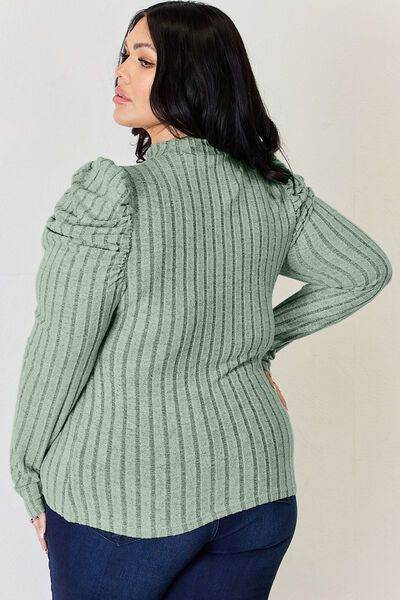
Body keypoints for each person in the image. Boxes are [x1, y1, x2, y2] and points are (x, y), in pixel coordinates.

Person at [9, 2, 392, 599]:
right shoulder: (274, 192)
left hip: (124, 499)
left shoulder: (112, 198)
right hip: (256, 489)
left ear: (193, 76)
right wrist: (259, 342)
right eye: (123, 57)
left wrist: (26, 470)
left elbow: (62, 346)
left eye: (144, 61)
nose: (120, 72)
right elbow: (363, 271)